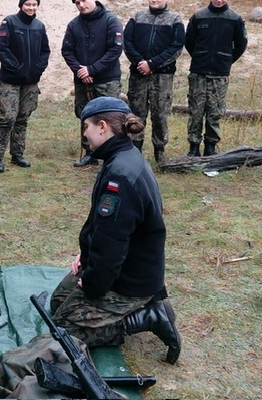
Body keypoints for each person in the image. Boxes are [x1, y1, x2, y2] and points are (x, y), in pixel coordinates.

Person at [50, 96, 181, 364]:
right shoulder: (121, 157)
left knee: (64, 332)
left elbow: (112, 243)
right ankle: (141, 306)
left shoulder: (119, 176)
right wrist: (86, 256)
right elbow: (105, 228)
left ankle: (148, 317)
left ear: (102, 127)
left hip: (129, 280)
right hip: (125, 265)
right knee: (57, 303)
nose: (84, 134)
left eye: (86, 126)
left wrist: (94, 284)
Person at [184, 0, 248, 157]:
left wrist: (226, 61)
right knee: (196, 111)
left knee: (215, 112)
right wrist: (200, 57)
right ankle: (194, 146)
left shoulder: (235, 19)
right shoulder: (198, 16)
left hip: (220, 74)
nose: (219, 0)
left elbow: (241, 45)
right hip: (199, 72)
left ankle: (210, 147)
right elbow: (189, 41)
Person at [62, 0, 123, 168]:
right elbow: (67, 51)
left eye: (84, 0)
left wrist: (92, 70)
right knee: (85, 116)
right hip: (82, 81)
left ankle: (112, 155)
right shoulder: (74, 25)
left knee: (110, 117)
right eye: (77, 3)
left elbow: (115, 50)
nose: (81, 5)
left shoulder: (111, 21)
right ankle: (90, 153)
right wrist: (81, 71)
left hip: (106, 80)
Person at [123, 0, 185, 163]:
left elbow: (176, 47)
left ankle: (159, 151)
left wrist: (152, 64)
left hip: (162, 77)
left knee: (160, 114)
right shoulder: (137, 17)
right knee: (136, 113)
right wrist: (140, 62)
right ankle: (134, 151)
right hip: (138, 75)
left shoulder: (174, 19)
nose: (154, 0)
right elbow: (127, 42)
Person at [0, 0, 50, 173]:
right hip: (11, 80)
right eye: (27, 4)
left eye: (34, 4)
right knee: (8, 117)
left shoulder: (39, 26)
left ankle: (17, 154)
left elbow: (45, 51)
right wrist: (17, 68)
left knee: (23, 118)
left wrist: (38, 69)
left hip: (31, 82)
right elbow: (1, 48)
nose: (31, 8)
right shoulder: (9, 22)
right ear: (21, 5)